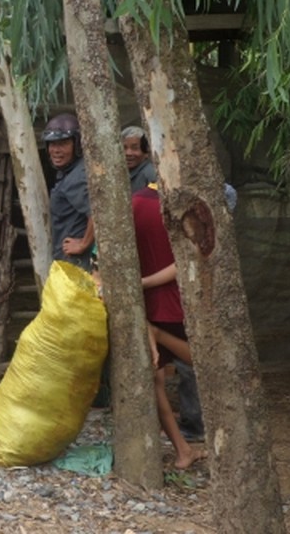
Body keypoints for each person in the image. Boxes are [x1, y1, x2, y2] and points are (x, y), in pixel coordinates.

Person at [132, 183, 206, 469]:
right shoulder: (185, 203)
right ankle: (187, 447)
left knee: (156, 381)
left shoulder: (134, 199)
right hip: (175, 303)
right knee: (201, 362)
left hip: (145, 304)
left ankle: (182, 449)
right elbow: (190, 258)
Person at [43, 113, 94, 271]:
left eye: (63, 144)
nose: (56, 150)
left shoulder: (77, 177)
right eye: (52, 144)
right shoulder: (69, 172)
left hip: (76, 264)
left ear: (76, 144)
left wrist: (83, 243)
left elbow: (97, 213)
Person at [122, 126, 157, 193]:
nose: (128, 153)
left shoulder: (150, 174)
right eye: (124, 148)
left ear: (146, 152)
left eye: (135, 148)